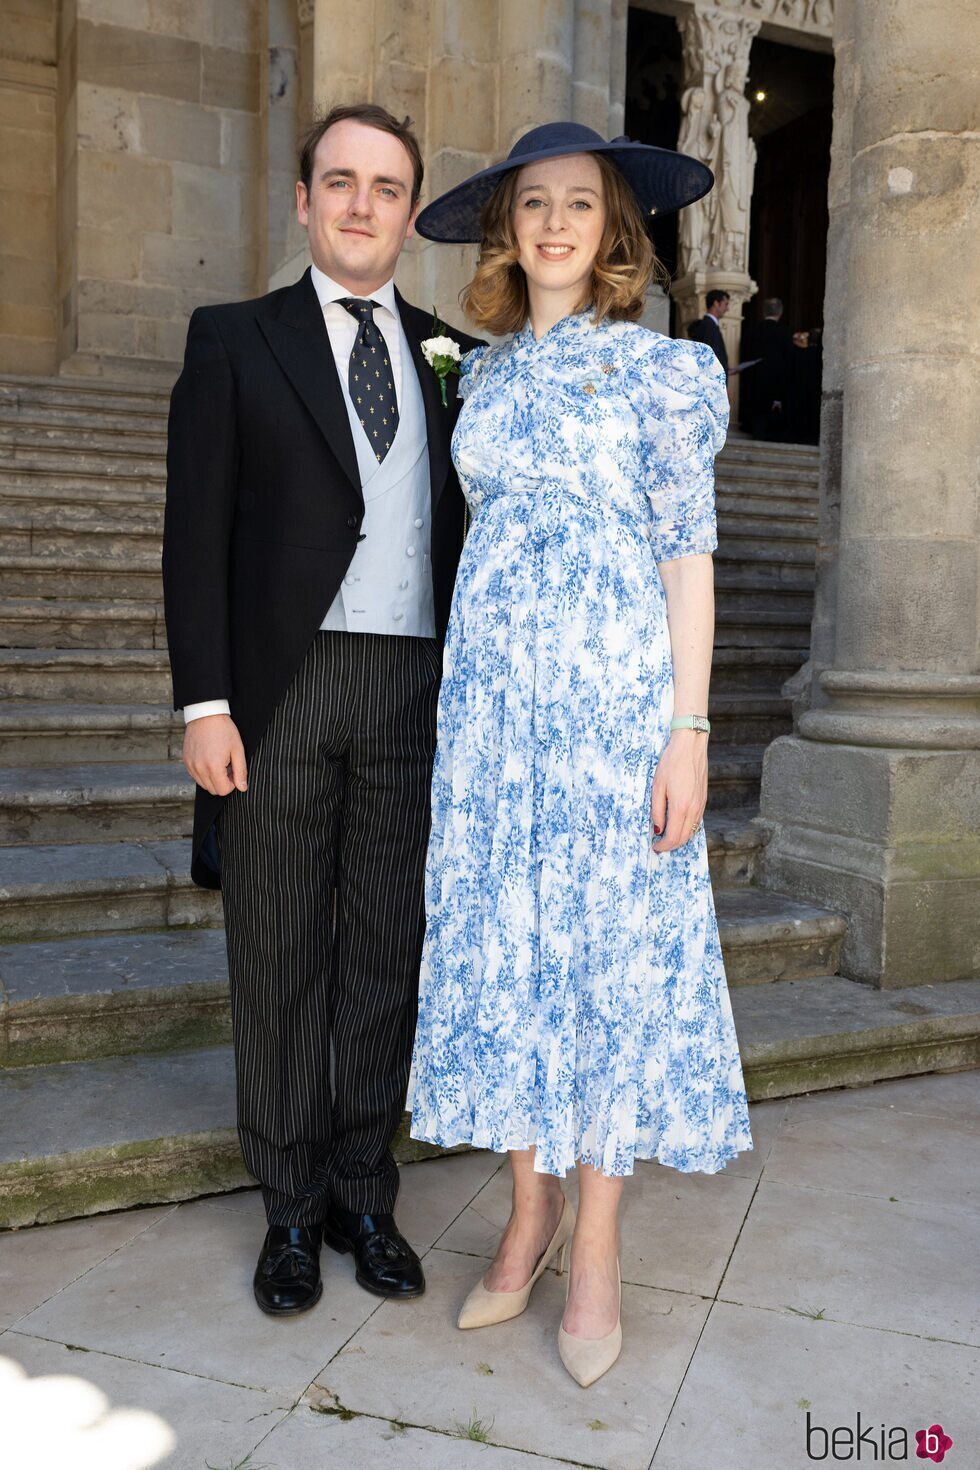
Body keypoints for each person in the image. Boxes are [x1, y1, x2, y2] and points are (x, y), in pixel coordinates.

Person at [407, 122, 752, 1387]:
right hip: (491, 717)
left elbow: (686, 558)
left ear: (615, 231)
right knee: (506, 953)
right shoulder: (481, 378)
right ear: (507, 228)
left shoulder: (662, 372)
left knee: (606, 965)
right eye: (533, 204)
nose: (555, 223)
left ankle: (594, 1247)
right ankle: (527, 1213)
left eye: (580, 205)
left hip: (615, 708)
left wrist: (687, 732)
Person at [163, 103, 480, 1318]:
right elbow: (195, 538)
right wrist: (205, 702)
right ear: (302, 200)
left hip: (415, 689)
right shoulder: (234, 340)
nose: (361, 204)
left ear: (410, 211)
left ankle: (364, 1190)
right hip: (281, 691)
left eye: (386, 187)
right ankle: (289, 1206)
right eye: (338, 182)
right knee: (280, 953)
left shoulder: (454, 357)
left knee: (386, 956)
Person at [741, 296, 794, 439]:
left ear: (764, 312)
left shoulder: (753, 331)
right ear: (780, 313)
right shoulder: (784, 332)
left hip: (754, 385)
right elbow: (789, 362)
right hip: (777, 384)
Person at [687, 288, 730, 373]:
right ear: (716, 303)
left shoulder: (708, 325)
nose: (727, 308)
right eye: (726, 304)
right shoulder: (709, 326)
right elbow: (710, 357)